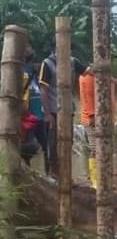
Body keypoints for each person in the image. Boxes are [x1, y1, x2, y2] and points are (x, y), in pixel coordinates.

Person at [38, 40, 90, 176]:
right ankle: (52, 175)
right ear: (55, 49)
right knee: (53, 144)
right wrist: (47, 114)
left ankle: (65, 174)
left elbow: (88, 71)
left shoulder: (73, 62)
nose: (69, 52)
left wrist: (102, 67)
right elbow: (43, 90)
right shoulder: (47, 64)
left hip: (68, 110)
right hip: (53, 111)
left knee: (68, 141)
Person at [79, 70, 117, 188]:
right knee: (95, 148)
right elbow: (87, 96)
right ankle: (95, 181)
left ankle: (104, 178)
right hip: (93, 118)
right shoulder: (87, 76)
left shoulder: (104, 73)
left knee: (106, 148)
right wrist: (92, 115)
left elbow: (111, 82)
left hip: (107, 118)